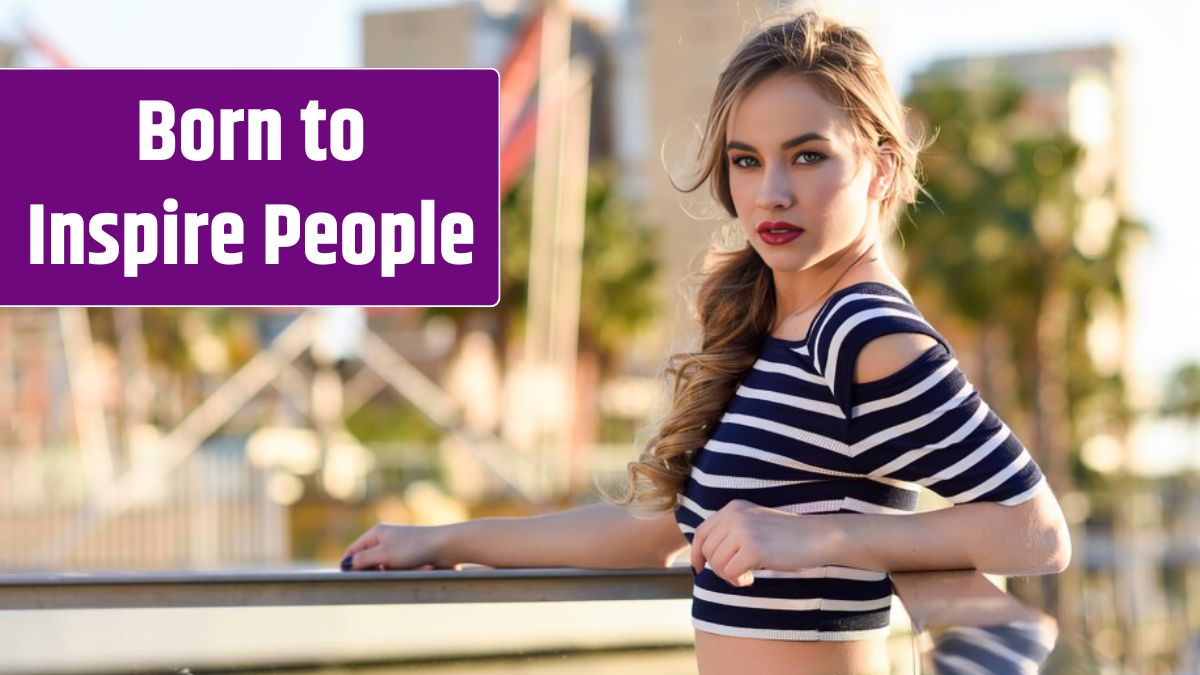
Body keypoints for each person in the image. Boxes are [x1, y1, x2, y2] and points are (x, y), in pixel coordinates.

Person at [340, 10, 1072, 675]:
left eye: (808, 155)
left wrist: (819, 538)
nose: (770, 193)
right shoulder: (782, 324)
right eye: (746, 159)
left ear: (879, 167)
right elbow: (657, 527)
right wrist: (444, 542)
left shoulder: (863, 330)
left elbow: (1035, 532)